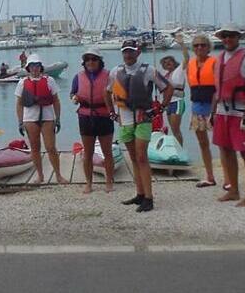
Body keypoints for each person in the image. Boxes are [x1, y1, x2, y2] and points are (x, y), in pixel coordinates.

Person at [105, 39, 172, 213]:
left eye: (131, 51)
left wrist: (162, 107)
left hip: (144, 117)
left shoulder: (149, 70)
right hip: (125, 118)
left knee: (142, 156)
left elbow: (168, 88)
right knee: (134, 158)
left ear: (138, 52)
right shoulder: (116, 72)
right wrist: (111, 113)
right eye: (125, 52)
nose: (128, 55)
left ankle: (149, 198)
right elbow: (107, 92)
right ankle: (140, 193)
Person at [212, 23, 245, 207]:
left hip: (240, 112)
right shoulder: (221, 58)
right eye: (224, 36)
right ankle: (233, 190)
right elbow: (218, 89)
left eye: (231, 36)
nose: (227, 39)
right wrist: (213, 112)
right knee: (225, 150)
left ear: (238, 37)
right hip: (223, 110)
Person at [15, 54, 68, 185]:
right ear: (28, 68)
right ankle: (40, 175)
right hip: (30, 119)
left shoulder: (49, 80)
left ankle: (58, 175)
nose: (34, 69)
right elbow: (19, 104)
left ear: (40, 67)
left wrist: (58, 118)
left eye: (37, 66)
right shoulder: (22, 82)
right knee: (35, 148)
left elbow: (56, 100)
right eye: (32, 66)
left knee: (51, 147)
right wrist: (20, 122)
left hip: (47, 117)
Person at [70, 48, 116, 194]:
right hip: (85, 116)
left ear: (99, 61)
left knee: (107, 152)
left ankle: (109, 181)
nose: (90, 62)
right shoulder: (78, 77)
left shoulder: (109, 76)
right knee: (88, 152)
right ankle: (88, 183)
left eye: (94, 59)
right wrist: (74, 98)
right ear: (84, 62)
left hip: (104, 115)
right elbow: (73, 92)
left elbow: (118, 94)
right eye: (88, 59)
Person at [186, 33, 218, 188]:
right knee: (203, 143)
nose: (199, 48)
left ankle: (229, 178)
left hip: (214, 107)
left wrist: (214, 110)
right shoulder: (191, 64)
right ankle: (210, 176)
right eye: (196, 45)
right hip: (197, 106)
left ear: (208, 47)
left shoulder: (214, 63)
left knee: (223, 143)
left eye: (203, 45)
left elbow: (219, 88)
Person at [160, 46, 186, 146]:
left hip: (177, 102)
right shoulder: (165, 75)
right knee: (172, 129)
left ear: (174, 62)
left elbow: (186, 58)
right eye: (165, 63)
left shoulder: (179, 70)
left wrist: (181, 44)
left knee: (176, 128)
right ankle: (176, 148)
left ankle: (180, 149)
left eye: (169, 61)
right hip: (168, 104)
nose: (168, 64)